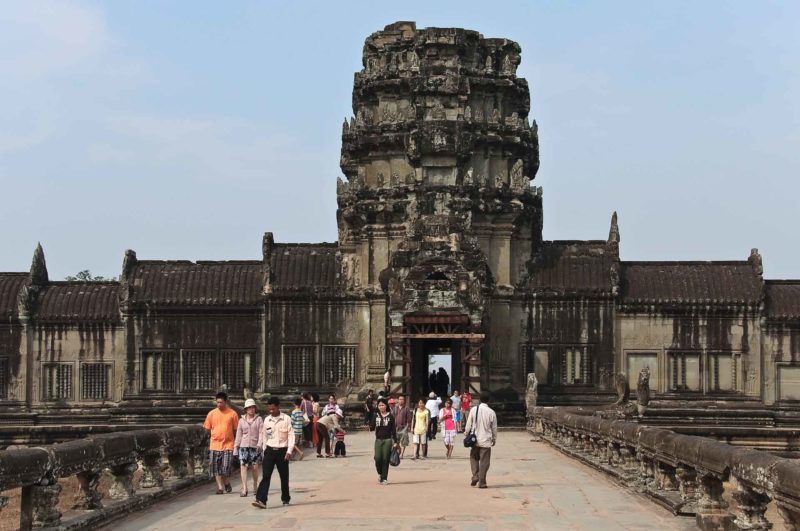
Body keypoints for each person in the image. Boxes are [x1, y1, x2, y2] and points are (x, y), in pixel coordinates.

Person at [252, 397, 294, 509]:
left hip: (282, 451)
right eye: (269, 409)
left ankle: (285, 498)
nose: (271, 411)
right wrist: (265, 449)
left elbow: (291, 436)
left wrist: (289, 451)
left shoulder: (286, 419)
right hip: (270, 450)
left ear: (278, 407)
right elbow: (265, 435)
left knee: (284, 477)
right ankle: (261, 500)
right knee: (266, 476)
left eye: (273, 409)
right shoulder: (267, 420)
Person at [203, 391, 239, 495]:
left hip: (228, 444)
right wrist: (215, 435)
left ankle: (226, 481)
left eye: (221, 402)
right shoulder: (211, 414)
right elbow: (207, 428)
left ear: (225, 402)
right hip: (215, 444)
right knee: (216, 467)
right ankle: (220, 487)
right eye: (217, 402)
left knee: (225, 467)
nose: (219, 404)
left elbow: (236, 429)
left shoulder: (232, 414)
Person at [464, 392, 498, 489]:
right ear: (489, 400)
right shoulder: (491, 412)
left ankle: (475, 476)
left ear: (479, 399)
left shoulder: (474, 409)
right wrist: (494, 438)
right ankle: (482, 482)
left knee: (473, 458)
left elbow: (468, 423)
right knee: (484, 462)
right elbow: (494, 428)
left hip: (475, 440)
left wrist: (466, 433)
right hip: (486, 440)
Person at [234, 398, 263, 496]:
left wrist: (260, 444)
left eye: (253, 407)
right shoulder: (241, 420)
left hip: (255, 446)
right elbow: (238, 435)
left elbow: (261, 433)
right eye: (249, 408)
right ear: (246, 409)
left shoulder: (259, 419)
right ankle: (244, 488)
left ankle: (255, 485)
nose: (251, 409)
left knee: (255, 467)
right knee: (243, 467)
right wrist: (236, 448)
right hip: (243, 446)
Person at [373, 398, 398, 484]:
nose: (381, 407)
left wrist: (395, 442)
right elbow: (372, 427)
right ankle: (380, 473)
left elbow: (393, 430)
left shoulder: (390, 416)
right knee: (377, 458)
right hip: (378, 440)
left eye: (383, 405)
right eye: (379, 405)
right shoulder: (375, 415)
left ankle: (384, 478)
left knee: (385, 459)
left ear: (386, 406)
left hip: (387, 440)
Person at [391, 394, 412, 458]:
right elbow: (392, 417)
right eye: (400, 399)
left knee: (403, 442)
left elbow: (409, 419)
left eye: (402, 399)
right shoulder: (395, 408)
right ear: (398, 400)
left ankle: (402, 454)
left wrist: (408, 427)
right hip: (395, 427)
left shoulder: (406, 408)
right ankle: (399, 449)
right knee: (395, 441)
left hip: (404, 427)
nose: (401, 400)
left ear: (404, 401)